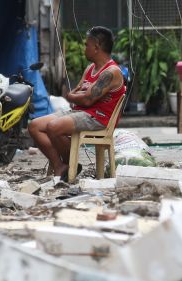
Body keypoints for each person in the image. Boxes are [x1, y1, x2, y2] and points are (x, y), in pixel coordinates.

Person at [29, 26, 126, 179]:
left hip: (97, 118)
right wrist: (79, 95)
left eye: (86, 45)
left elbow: (86, 99)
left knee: (53, 127)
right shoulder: (90, 69)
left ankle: (71, 164)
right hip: (80, 112)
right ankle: (60, 165)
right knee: (34, 126)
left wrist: (76, 96)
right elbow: (79, 93)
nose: (84, 48)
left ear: (96, 47)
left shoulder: (111, 72)